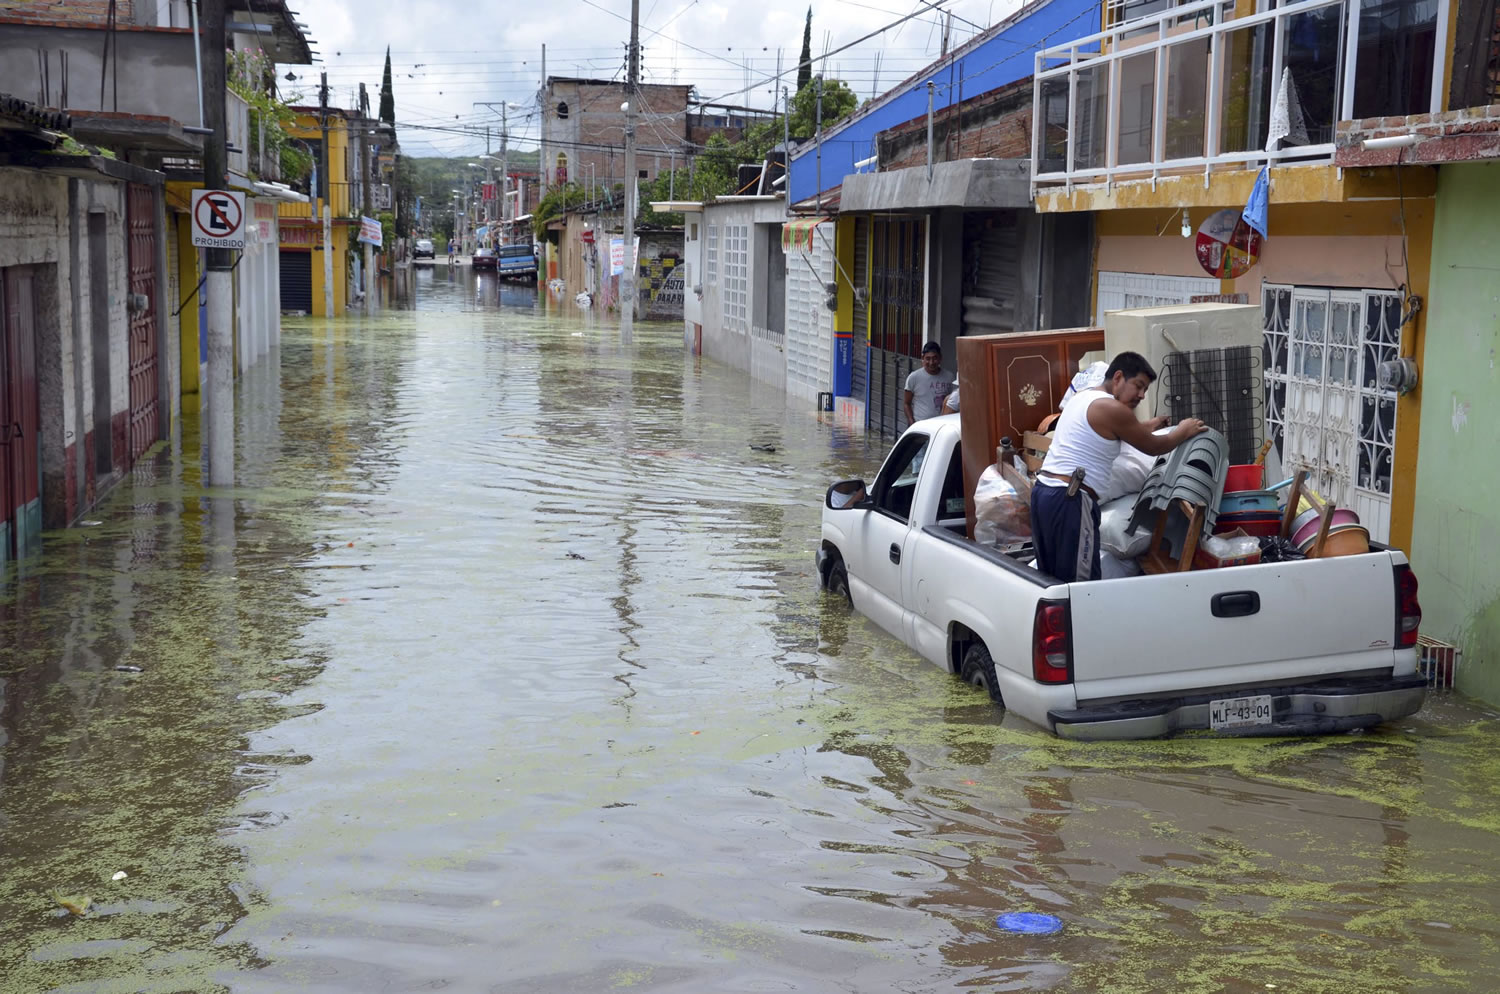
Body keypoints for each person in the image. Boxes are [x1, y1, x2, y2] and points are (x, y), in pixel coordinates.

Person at [1030, 351, 1208, 583]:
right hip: (1070, 501)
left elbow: (1119, 431)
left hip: (1044, 493)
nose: (1142, 395)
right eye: (1139, 386)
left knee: (1049, 577)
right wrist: (1183, 430)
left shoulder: (1084, 399)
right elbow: (1154, 447)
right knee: (1080, 585)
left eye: (1145, 389)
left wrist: (1150, 424)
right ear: (1118, 377)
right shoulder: (1114, 410)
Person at [904, 342, 952, 424]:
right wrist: (911, 422)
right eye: (928, 358)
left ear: (940, 358)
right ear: (923, 358)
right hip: (921, 425)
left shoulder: (949, 377)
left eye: (935, 358)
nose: (931, 362)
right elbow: (906, 403)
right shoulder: (914, 377)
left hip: (941, 425)